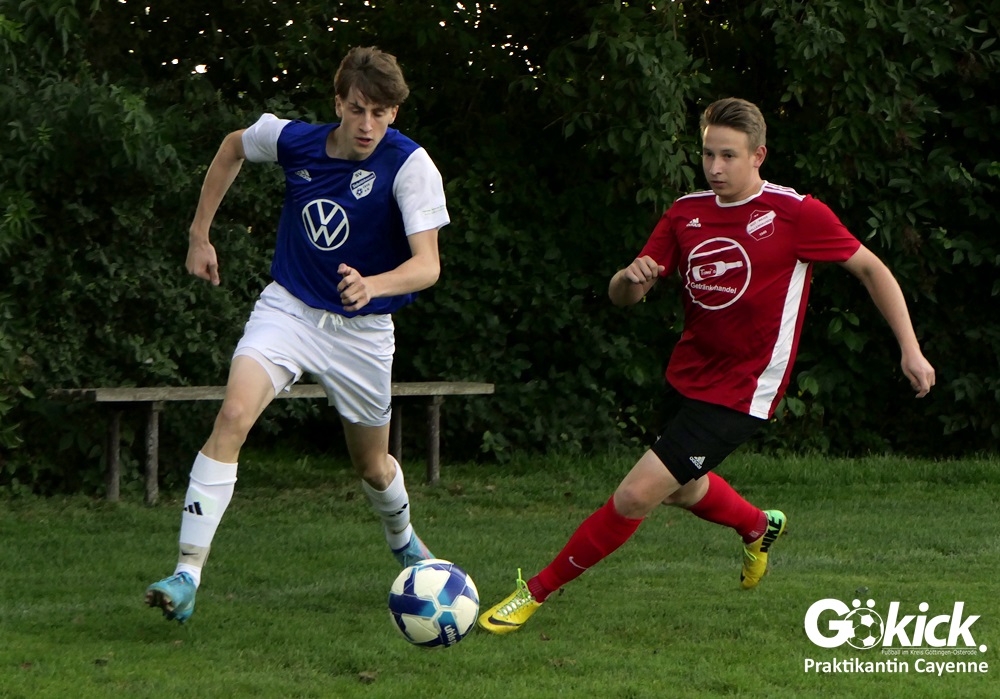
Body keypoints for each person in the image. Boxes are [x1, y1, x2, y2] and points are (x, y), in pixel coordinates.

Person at [477, 97, 935, 635]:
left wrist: (910, 348)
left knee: (635, 494)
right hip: (688, 375)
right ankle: (758, 526)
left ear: (758, 155)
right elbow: (625, 296)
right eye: (708, 155)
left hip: (745, 388)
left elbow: (872, 269)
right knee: (681, 487)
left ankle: (534, 592)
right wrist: (629, 278)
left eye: (728, 156)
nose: (715, 167)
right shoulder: (684, 214)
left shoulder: (796, 213)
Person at [145, 46, 450, 624]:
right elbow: (233, 147)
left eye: (380, 113)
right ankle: (186, 573)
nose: (367, 125)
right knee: (233, 415)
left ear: (394, 114)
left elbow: (427, 265)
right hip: (289, 309)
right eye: (357, 109)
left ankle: (404, 540)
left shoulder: (411, 166)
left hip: (362, 331)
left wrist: (374, 285)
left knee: (373, 466)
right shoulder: (294, 140)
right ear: (338, 103)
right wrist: (199, 234)